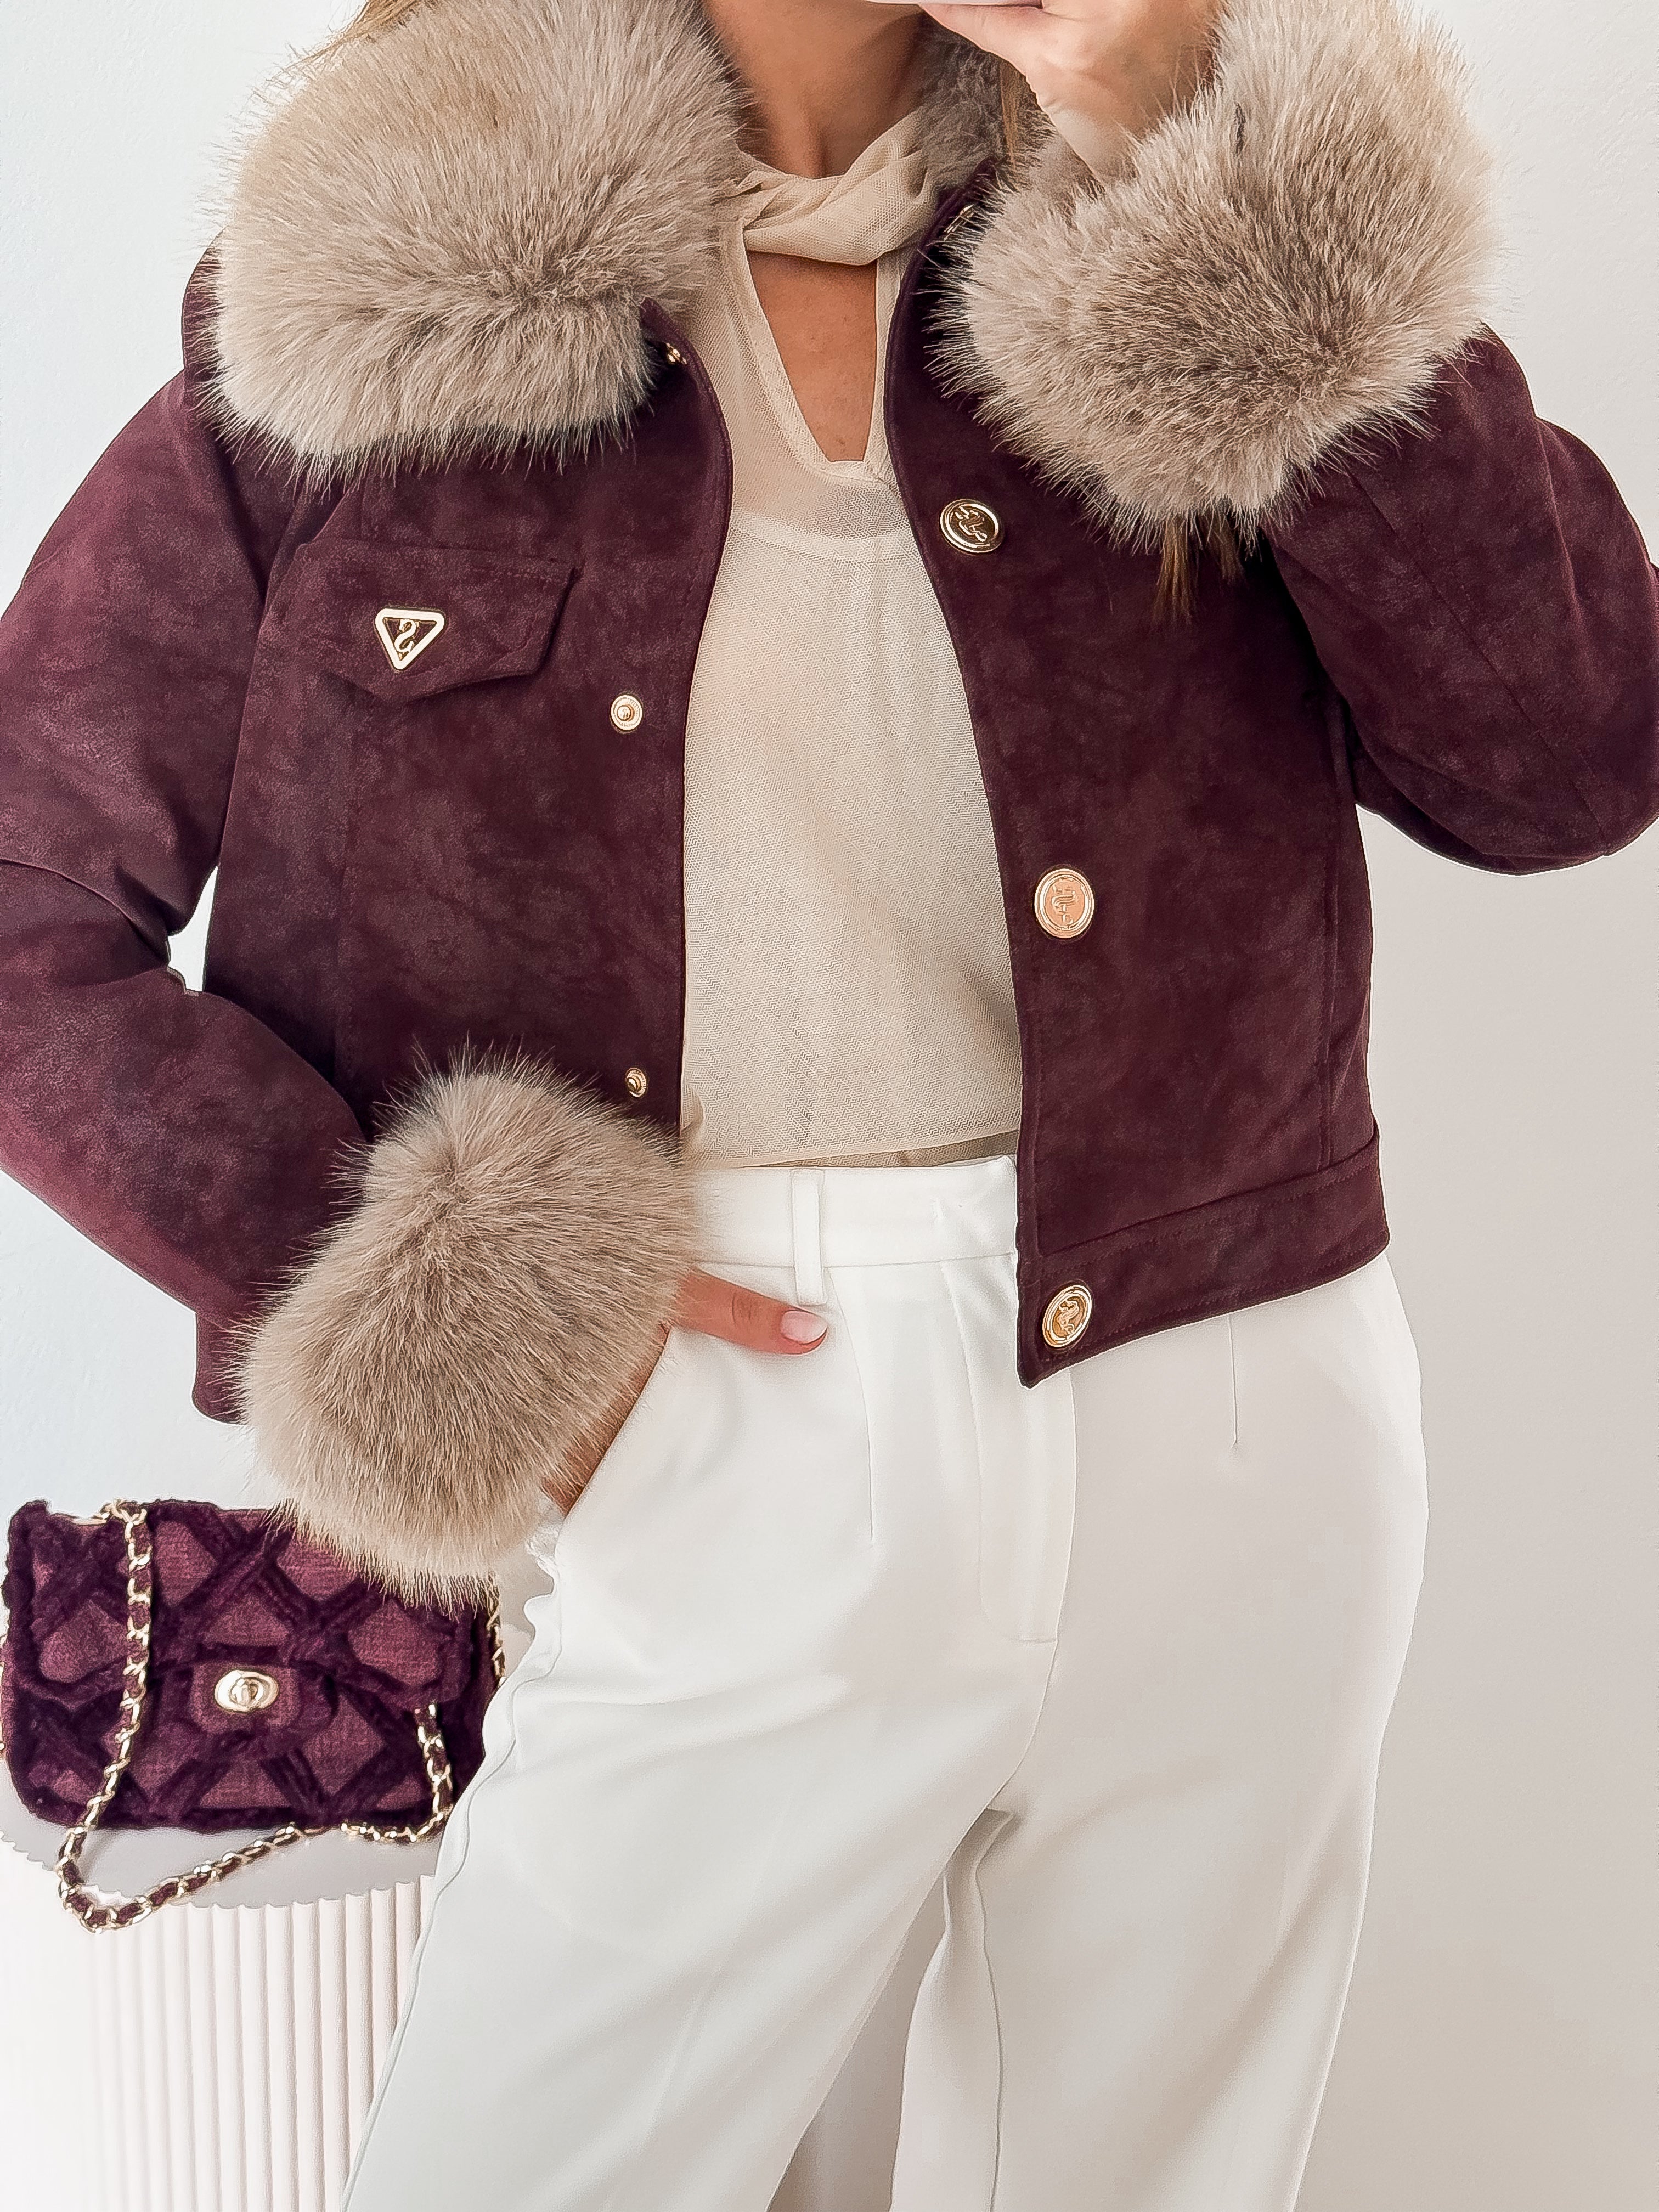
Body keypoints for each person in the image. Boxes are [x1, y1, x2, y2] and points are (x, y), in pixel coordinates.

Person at [0, 1, 1654, 2207]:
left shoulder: (1202, 207)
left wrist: (1207, 150)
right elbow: (27, 906)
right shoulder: (376, 294)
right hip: (714, 1416)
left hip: (1234, 1394)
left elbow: (1570, 758)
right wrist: (437, 1294)